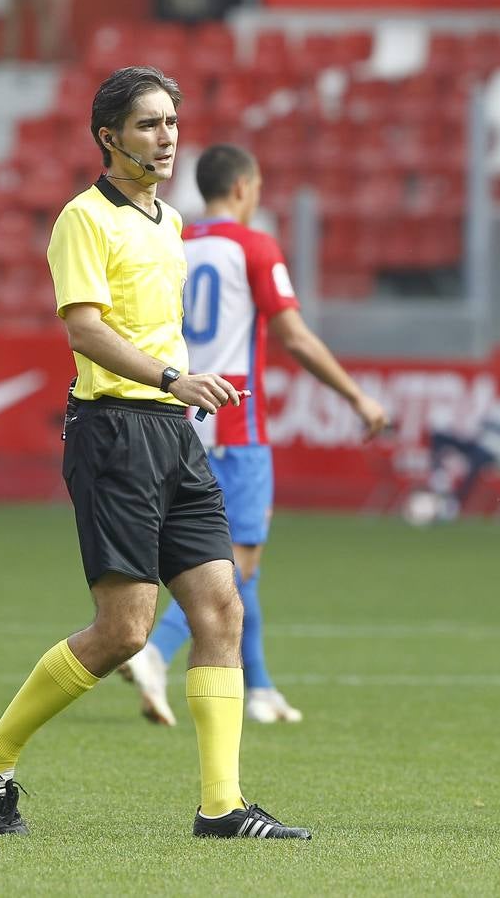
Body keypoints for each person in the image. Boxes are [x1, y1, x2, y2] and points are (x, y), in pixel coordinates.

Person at [0, 66, 309, 840]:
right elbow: (83, 328)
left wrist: (183, 388)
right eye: (148, 124)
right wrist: (174, 377)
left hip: (172, 436)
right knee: (125, 631)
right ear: (108, 137)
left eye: (172, 122)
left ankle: (221, 807)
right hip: (114, 432)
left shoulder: (170, 223)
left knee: (220, 607)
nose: (167, 136)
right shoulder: (84, 219)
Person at [119, 143, 389, 726]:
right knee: (237, 558)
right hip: (235, 420)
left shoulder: (175, 242)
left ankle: (260, 686)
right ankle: (155, 652)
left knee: (240, 563)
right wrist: (356, 395)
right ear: (244, 188)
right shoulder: (254, 246)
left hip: (176, 414)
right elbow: (294, 337)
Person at [406, 366, 500, 524]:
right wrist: (490, 426)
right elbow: (485, 423)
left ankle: (453, 505)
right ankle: (440, 483)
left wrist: (496, 426)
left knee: (476, 459)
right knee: (440, 437)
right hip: (484, 446)